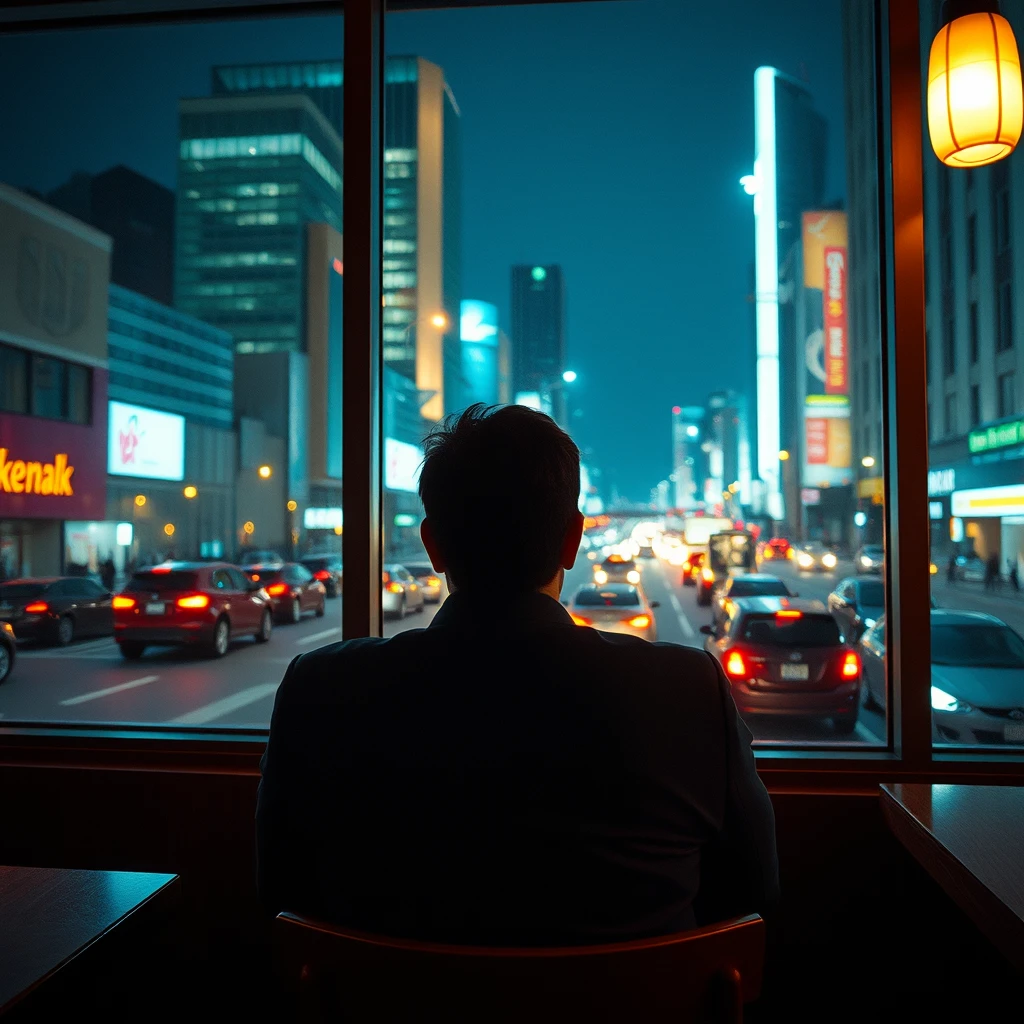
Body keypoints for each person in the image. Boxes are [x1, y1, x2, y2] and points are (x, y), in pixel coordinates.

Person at [257, 404, 779, 945]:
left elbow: (280, 897)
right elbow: (755, 893)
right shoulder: (686, 692)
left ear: (433, 545)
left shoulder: (320, 692)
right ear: (572, 541)